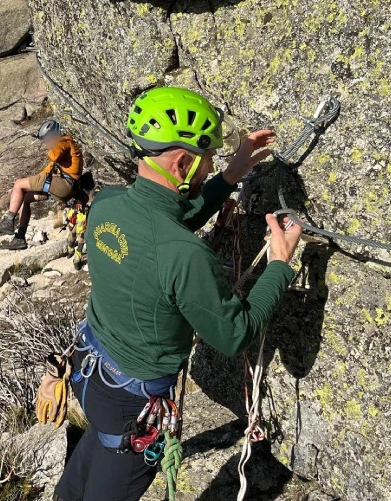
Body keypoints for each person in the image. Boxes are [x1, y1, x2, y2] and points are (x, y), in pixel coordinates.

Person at [53, 87, 304, 501]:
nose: (210, 166)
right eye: (207, 160)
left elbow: (168, 219)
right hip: (132, 404)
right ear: (182, 161)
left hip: (89, 373)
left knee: (81, 475)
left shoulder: (108, 203)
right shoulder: (184, 254)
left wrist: (229, 177)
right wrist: (278, 265)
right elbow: (234, 334)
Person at [0, 119, 83, 250]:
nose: (46, 144)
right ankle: (19, 238)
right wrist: (33, 181)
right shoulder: (63, 146)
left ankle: (8, 220)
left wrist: (54, 144)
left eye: (47, 140)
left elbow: (54, 156)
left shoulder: (64, 142)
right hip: (63, 188)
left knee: (18, 184)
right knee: (25, 199)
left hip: (64, 184)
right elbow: (47, 171)